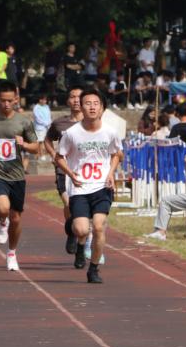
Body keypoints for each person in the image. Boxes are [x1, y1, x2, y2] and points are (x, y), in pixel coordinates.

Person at [55, 89, 123, 283]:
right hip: (79, 187)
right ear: (81, 107)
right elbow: (59, 157)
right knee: (82, 230)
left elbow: (116, 154)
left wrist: (110, 173)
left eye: (96, 103)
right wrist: (70, 174)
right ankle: (78, 239)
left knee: (99, 227)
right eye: (88, 103)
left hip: (102, 186)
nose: (92, 107)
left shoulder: (110, 132)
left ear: (102, 108)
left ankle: (93, 269)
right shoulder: (71, 133)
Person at [0, 81, 40, 271]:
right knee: (3, 208)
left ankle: (12, 253)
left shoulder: (24, 121)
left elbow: (36, 147)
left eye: (10, 100)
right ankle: (2, 222)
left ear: (16, 99)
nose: (6, 104)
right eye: (3, 100)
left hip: (17, 175)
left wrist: (24, 144)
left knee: (17, 218)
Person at [44, 86, 84, 255]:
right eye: (72, 97)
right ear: (68, 101)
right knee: (69, 204)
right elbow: (47, 140)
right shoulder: (60, 123)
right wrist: (54, 155)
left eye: (79, 97)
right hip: (64, 170)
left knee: (83, 209)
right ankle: (71, 232)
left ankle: (82, 240)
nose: (76, 100)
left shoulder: (91, 123)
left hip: (84, 171)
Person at [32, 94, 52, 161]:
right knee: (41, 142)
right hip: (40, 127)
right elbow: (37, 119)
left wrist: (49, 123)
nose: (44, 101)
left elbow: (49, 116)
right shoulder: (36, 108)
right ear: (39, 100)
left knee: (48, 141)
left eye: (45, 100)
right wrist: (45, 123)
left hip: (48, 127)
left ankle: (50, 154)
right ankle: (41, 155)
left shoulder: (47, 106)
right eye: (43, 100)